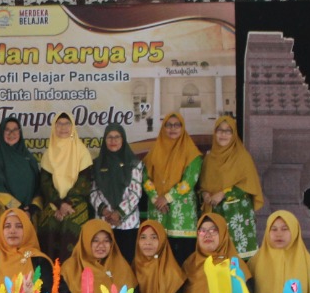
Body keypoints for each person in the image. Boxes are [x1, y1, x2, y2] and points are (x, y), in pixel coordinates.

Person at [199, 114, 265, 258]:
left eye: (228, 131)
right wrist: (204, 194)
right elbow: (202, 184)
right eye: (220, 130)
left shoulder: (242, 157)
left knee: (240, 262)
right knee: (217, 260)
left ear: (234, 134)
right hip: (215, 216)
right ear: (215, 133)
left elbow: (249, 185)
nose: (223, 134)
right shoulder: (209, 159)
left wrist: (223, 193)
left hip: (237, 215)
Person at [142, 113, 203, 264]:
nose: (173, 128)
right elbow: (145, 178)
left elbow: (189, 181)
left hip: (182, 217)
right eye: (169, 125)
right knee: (159, 261)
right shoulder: (154, 153)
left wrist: (167, 198)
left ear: (183, 128)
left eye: (177, 125)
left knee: (183, 262)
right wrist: (157, 199)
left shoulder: (192, 153)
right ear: (163, 128)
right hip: (158, 213)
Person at [35, 112, 94, 261]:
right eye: (59, 124)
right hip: (53, 203)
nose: (63, 128)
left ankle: (70, 277)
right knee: (48, 223)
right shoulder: (48, 154)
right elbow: (45, 183)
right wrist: (59, 204)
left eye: (67, 124)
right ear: (54, 127)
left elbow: (84, 183)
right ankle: (49, 277)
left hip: (76, 202)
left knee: (71, 225)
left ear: (72, 127)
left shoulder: (82, 152)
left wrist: (67, 203)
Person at [88, 123, 144, 260]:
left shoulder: (134, 163)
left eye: (117, 137)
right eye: (109, 137)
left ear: (123, 139)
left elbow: (136, 192)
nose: (113, 141)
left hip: (128, 224)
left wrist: (119, 213)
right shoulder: (97, 164)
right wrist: (105, 211)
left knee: (126, 264)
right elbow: (93, 191)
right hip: (103, 221)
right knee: (104, 263)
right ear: (105, 140)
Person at [61, 218, 135, 293]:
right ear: (85, 241)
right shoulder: (71, 268)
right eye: (95, 240)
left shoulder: (121, 267)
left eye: (106, 240)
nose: (101, 245)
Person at [132, 220, 185, 293]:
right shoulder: (132, 269)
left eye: (154, 237)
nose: (148, 243)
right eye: (143, 237)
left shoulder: (172, 272)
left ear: (162, 240)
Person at [0, 209, 51, 293]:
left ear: (27, 230)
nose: (12, 231)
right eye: (7, 226)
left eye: (19, 226)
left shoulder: (38, 260)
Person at [0, 116, 39, 221]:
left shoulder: (29, 159)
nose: (11, 134)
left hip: (28, 216)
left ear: (20, 132)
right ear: (1, 132)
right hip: (4, 214)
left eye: (15, 130)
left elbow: (38, 187)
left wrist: (32, 208)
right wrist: (18, 208)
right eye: (7, 130)